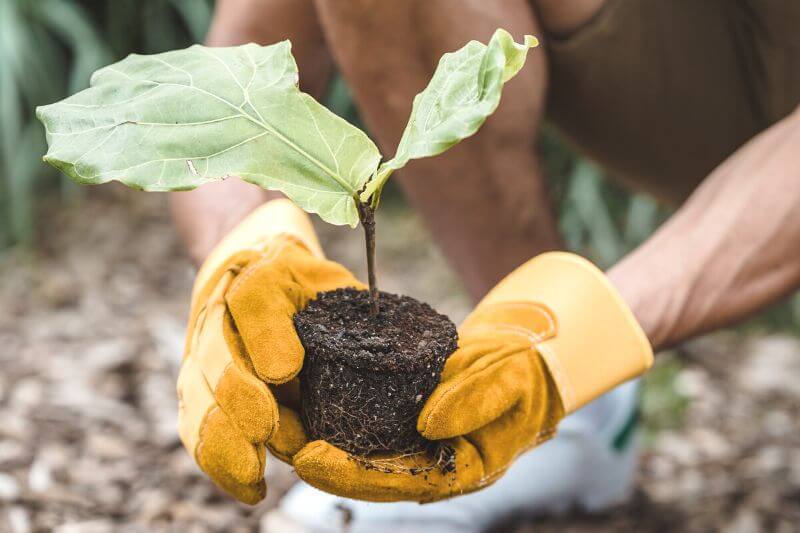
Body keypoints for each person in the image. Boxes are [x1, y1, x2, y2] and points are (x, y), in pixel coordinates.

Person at [172, 1, 800, 531]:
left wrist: (573, 334)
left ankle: (561, 395)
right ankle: (555, 421)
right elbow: (226, 89)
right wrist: (243, 249)